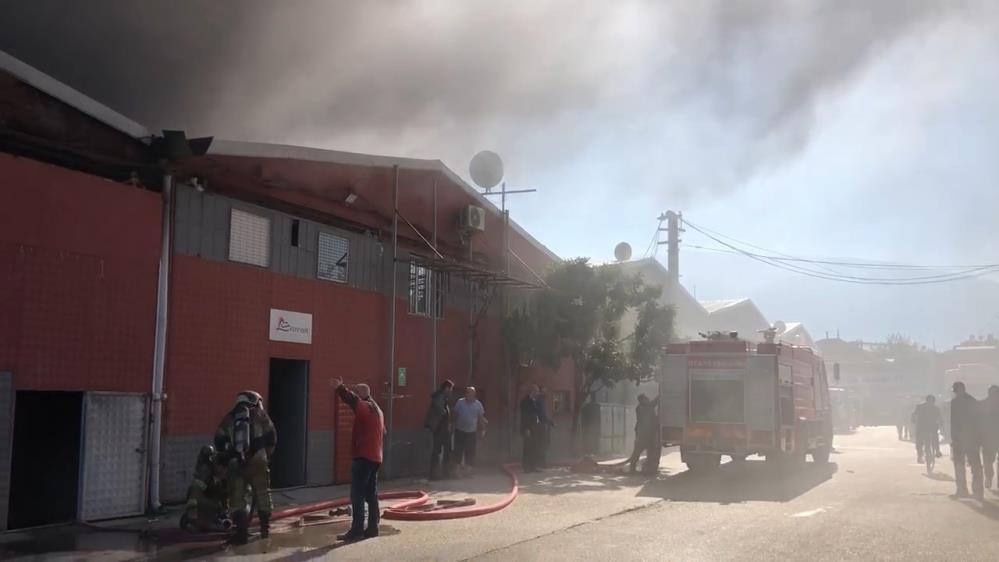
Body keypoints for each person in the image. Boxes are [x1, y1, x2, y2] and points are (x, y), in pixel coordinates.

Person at [214, 390, 277, 544]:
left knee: (237, 498)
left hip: (236, 463)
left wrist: (229, 457)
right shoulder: (261, 415)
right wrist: (265, 456)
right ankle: (265, 530)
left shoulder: (229, 418)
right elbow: (272, 437)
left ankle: (241, 533)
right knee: (262, 494)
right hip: (258, 460)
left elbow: (218, 441)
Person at [332, 377, 386, 542]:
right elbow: (383, 432)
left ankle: (356, 531)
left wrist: (340, 388)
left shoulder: (366, 406)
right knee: (371, 494)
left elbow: (352, 400)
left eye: (357, 391)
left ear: (362, 394)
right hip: (375, 457)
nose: (355, 393)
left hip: (364, 456)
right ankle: (373, 528)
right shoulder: (378, 410)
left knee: (357, 494)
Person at [180, 445, 231, 533]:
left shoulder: (224, 477)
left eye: (226, 468)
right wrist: (192, 516)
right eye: (222, 467)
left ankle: (210, 520)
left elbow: (224, 495)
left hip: (211, 503)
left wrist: (224, 513)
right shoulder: (205, 472)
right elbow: (194, 493)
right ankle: (193, 521)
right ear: (217, 465)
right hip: (201, 501)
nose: (224, 471)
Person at [950, 381, 984, 499]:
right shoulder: (968, 401)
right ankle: (968, 490)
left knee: (971, 465)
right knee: (963, 465)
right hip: (964, 439)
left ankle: (971, 491)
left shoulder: (962, 402)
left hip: (968, 438)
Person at [424, 379, 454, 480]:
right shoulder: (440, 397)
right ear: (446, 388)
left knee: (444, 450)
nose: (451, 391)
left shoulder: (442, 397)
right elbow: (441, 412)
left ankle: (442, 473)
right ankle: (436, 474)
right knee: (438, 450)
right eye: (450, 389)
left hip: (441, 428)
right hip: (439, 428)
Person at [452, 386, 487, 472]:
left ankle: (468, 469)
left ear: (474, 395)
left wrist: (483, 429)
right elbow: (455, 414)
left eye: (471, 393)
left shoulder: (478, 404)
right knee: (458, 449)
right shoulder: (460, 402)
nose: (469, 395)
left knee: (470, 450)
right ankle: (457, 469)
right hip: (459, 430)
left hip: (471, 431)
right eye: (467, 393)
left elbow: (481, 418)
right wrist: (452, 425)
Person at [627, 394, 661, 474]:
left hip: (646, 434)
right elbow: (655, 402)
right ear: (642, 400)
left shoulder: (644, 407)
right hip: (643, 435)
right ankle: (633, 468)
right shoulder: (643, 408)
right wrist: (660, 394)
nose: (648, 399)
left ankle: (649, 469)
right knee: (638, 451)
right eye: (646, 398)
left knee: (649, 451)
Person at [911, 395, 942, 464]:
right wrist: (941, 424)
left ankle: (921, 455)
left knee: (920, 441)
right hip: (927, 427)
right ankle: (935, 451)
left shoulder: (920, 406)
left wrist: (913, 420)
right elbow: (940, 418)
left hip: (922, 427)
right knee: (933, 438)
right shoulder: (935, 408)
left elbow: (913, 414)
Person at [520, 385, 543, 472]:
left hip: (535, 426)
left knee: (534, 447)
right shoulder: (525, 401)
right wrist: (526, 428)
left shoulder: (535, 401)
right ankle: (526, 467)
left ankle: (533, 466)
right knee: (527, 447)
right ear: (532, 391)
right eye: (536, 391)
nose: (538, 393)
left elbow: (538, 412)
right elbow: (524, 416)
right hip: (528, 427)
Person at [980, 385, 999, 489]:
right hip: (988, 437)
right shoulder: (982, 405)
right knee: (988, 460)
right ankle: (989, 477)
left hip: (987, 437)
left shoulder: (982, 404)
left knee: (988, 460)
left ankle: (988, 477)